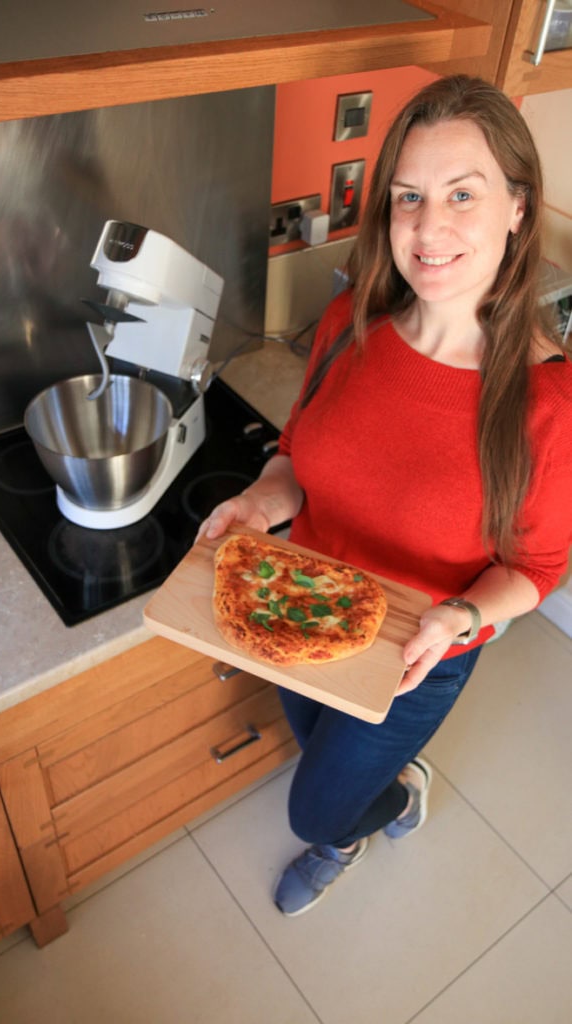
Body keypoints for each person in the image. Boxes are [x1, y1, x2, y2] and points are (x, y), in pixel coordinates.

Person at [198, 75, 572, 916]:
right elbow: (298, 456)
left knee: (313, 806)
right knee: (314, 736)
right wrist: (262, 503)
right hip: (302, 600)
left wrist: (463, 619)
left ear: (517, 208)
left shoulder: (548, 405)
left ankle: (385, 806)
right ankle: (371, 793)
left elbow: (537, 566)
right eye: (409, 196)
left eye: (462, 194)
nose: (428, 227)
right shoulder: (348, 324)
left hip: (417, 657)